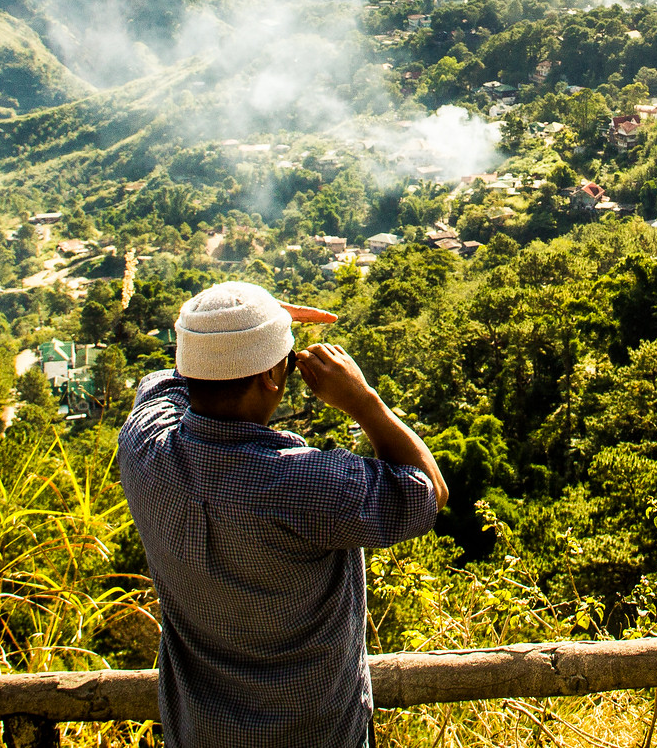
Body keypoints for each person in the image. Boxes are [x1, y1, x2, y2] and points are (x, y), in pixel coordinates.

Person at [118, 280, 448, 748]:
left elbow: (167, 382)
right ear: (273, 376)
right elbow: (428, 490)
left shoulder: (143, 447)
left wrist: (223, 329)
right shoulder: (305, 485)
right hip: (318, 736)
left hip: (198, 732)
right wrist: (362, 399)